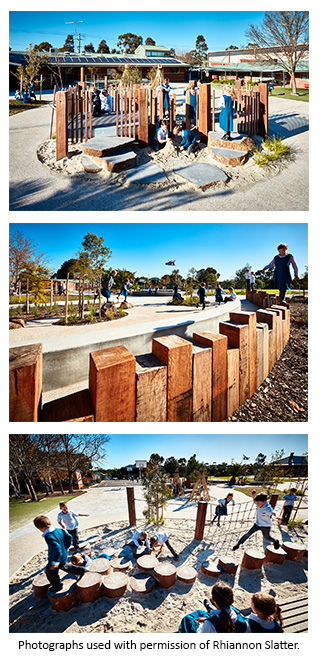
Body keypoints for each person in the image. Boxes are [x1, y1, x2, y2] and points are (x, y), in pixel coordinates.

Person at [33, 515, 86, 591]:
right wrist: (66, 547)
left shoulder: (49, 536)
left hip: (56, 559)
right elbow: (69, 537)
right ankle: (82, 570)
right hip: (63, 555)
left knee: (50, 572)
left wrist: (55, 562)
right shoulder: (59, 530)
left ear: (40, 529)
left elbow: (57, 549)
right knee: (65, 566)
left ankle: (57, 586)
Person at [178, 581, 249, 633]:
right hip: (219, 621)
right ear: (232, 602)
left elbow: (200, 632)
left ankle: (213, 611)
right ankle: (213, 611)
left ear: (213, 600)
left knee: (188, 619)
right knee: (201, 613)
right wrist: (207, 620)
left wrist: (206, 622)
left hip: (211, 627)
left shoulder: (209, 624)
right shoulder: (239, 617)